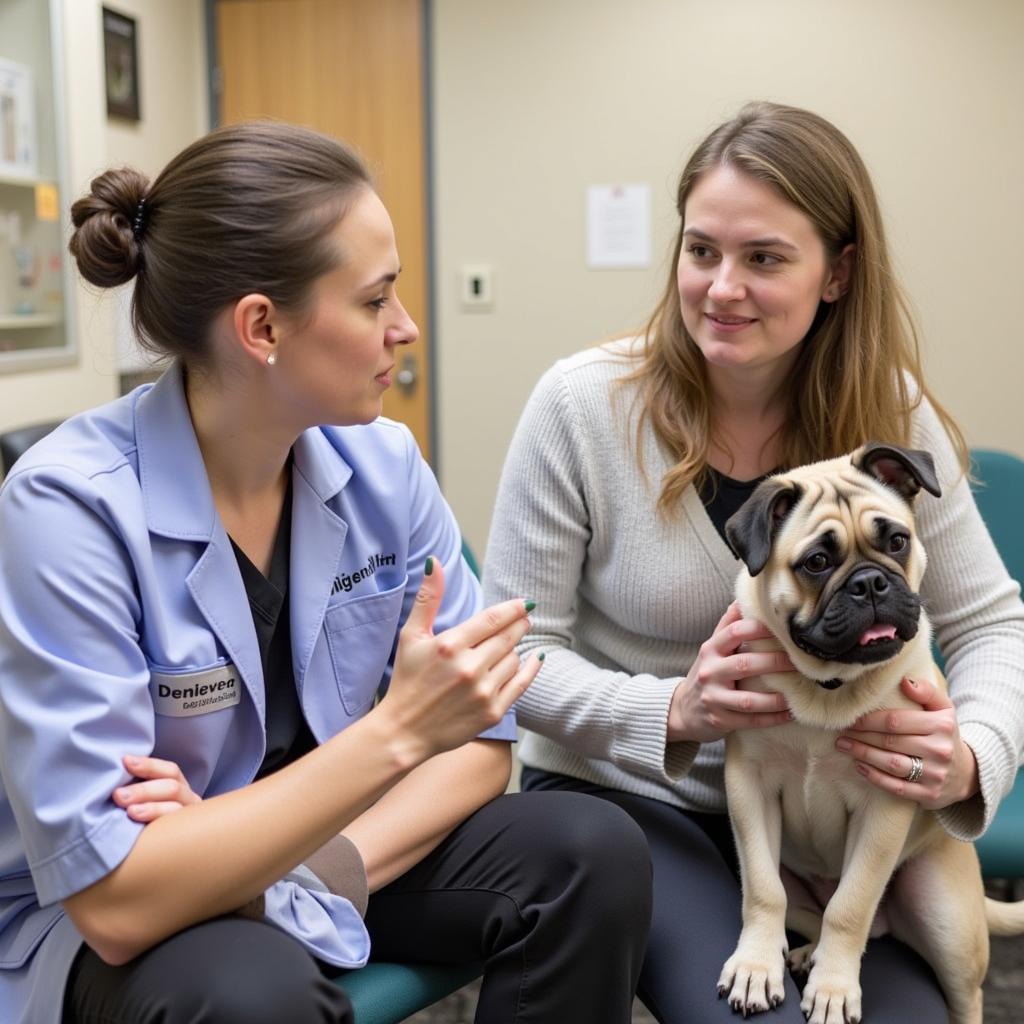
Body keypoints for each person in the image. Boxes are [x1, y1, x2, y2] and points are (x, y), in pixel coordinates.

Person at [0, 121, 653, 1024]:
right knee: (250, 995)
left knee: (592, 849)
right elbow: (117, 899)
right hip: (114, 928)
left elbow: (478, 743)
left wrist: (291, 873)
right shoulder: (68, 510)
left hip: (324, 850)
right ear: (261, 326)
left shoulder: (385, 465)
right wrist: (396, 734)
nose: (406, 327)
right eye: (375, 300)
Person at [483, 101, 1024, 1023]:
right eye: (701, 251)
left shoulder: (883, 407)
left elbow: (990, 621)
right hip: (628, 797)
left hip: (836, 821)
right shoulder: (581, 407)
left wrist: (971, 756)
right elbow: (511, 655)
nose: (721, 287)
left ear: (838, 273)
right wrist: (674, 711)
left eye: (764, 258)